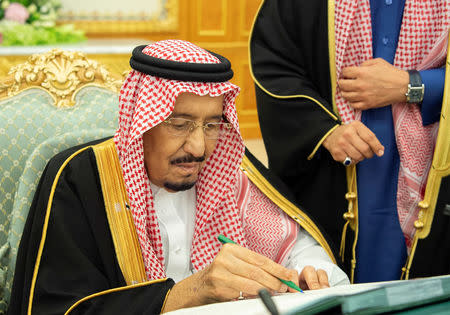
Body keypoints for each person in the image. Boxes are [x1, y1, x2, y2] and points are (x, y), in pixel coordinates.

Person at [7, 40, 348, 315]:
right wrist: (189, 293)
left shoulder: (228, 172)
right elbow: (56, 308)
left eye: (212, 125)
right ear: (142, 120)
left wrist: (309, 271)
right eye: (179, 124)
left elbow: (297, 246)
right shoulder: (81, 180)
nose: (199, 147)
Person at [250, 0, 450, 283]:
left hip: (434, 166)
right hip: (334, 175)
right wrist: (325, 132)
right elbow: (275, 61)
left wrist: (414, 85)